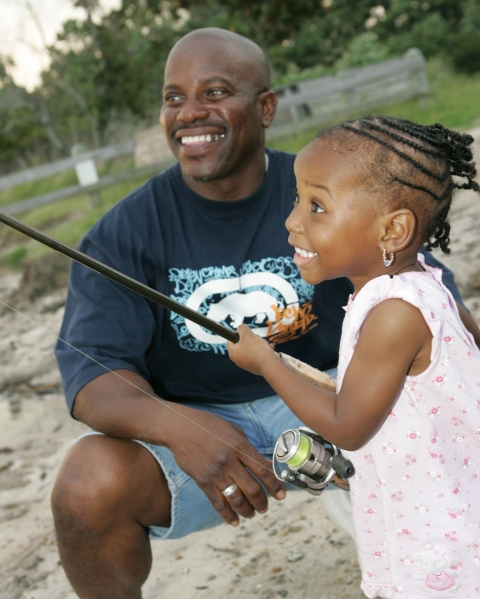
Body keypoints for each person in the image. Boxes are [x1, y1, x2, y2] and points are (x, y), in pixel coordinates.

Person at [52, 29, 464, 599]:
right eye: (174, 98)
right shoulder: (123, 231)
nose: (190, 113)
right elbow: (93, 378)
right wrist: (182, 427)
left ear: (265, 107)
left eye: (215, 92)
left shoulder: (332, 187)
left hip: (341, 401)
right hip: (195, 427)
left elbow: (431, 303)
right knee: (85, 483)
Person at [228, 115, 480, 598]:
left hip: (441, 536)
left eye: (317, 206)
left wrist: (268, 364)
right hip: (442, 508)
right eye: (297, 199)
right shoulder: (426, 285)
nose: (292, 220)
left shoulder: (393, 316)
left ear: (393, 230)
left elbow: (346, 425)